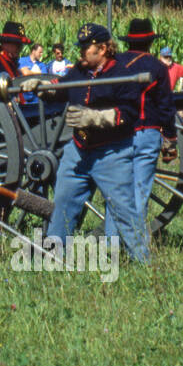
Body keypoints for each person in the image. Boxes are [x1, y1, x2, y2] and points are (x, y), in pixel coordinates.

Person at [44, 23, 149, 264]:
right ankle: (53, 258)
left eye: (85, 48)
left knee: (123, 211)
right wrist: (41, 89)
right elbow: (61, 89)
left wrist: (97, 117)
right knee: (63, 205)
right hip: (78, 150)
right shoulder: (79, 72)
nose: (80, 53)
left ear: (102, 49)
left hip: (112, 153)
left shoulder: (122, 74)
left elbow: (130, 113)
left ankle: (143, 262)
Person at [117, 18, 178, 225]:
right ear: (150, 42)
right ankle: (134, 246)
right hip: (146, 133)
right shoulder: (158, 67)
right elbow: (166, 106)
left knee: (116, 193)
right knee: (139, 193)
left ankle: (111, 244)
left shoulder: (115, 63)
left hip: (118, 133)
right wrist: (170, 139)